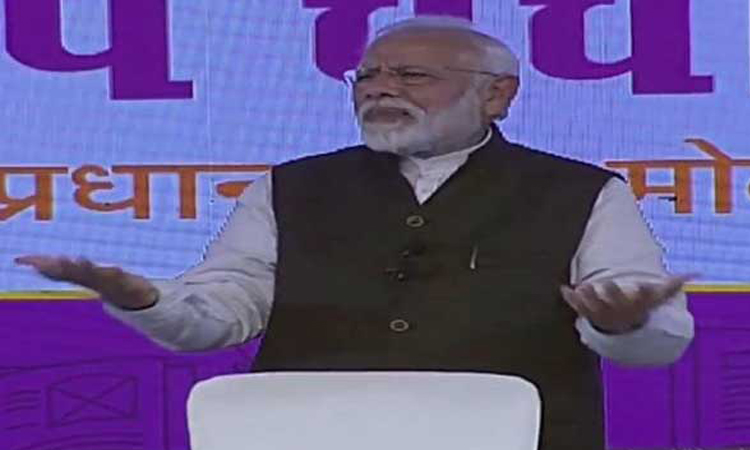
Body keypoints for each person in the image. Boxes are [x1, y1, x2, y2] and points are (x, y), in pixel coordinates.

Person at [16, 16, 694, 450]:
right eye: (367, 75)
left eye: (412, 75)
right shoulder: (290, 186)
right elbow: (222, 312)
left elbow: (651, 334)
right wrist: (146, 301)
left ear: (497, 95)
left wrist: (625, 323)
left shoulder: (583, 191)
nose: (379, 88)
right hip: (310, 435)